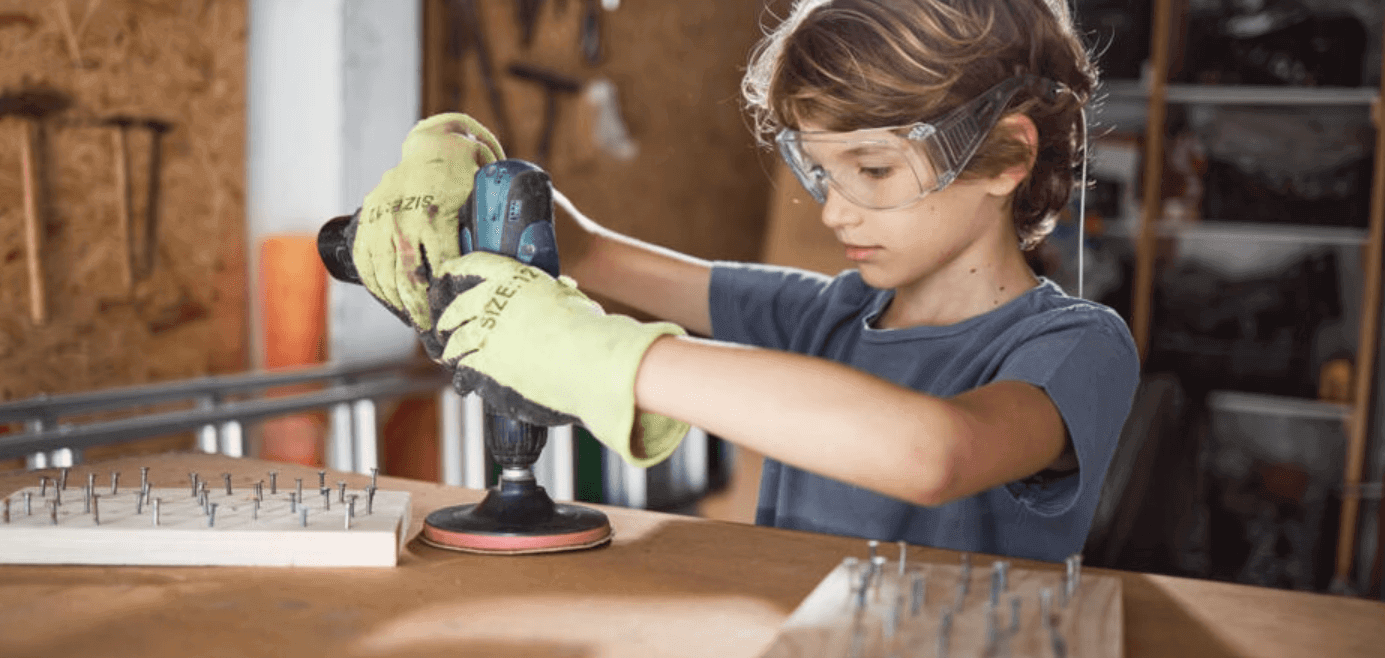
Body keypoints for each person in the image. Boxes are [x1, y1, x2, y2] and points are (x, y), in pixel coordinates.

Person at [354, 0, 1140, 563]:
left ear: (1006, 154)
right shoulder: (829, 316)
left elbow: (932, 453)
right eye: (820, 172)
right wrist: (465, 152)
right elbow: (589, 252)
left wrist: (603, 356)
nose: (835, 212)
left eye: (870, 168)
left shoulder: (1071, 348)